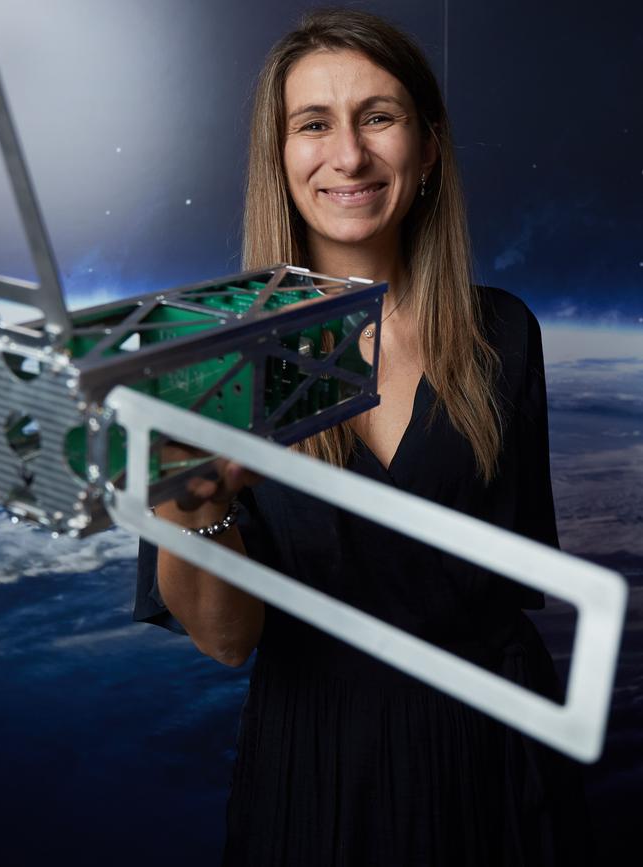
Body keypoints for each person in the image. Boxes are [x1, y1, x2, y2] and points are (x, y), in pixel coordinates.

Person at [134, 8, 592, 865]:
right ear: (280, 158)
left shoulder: (504, 333)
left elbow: (508, 580)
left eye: (378, 117)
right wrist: (192, 499)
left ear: (429, 147)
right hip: (321, 765)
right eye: (313, 124)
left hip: (499, 754)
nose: (348, 155)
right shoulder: (210, 353)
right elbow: (227, 640)